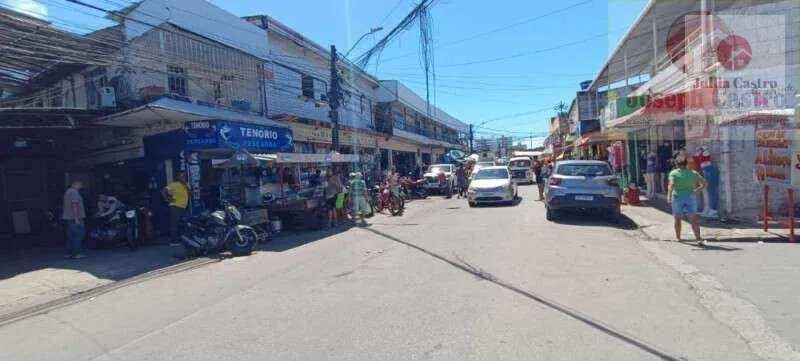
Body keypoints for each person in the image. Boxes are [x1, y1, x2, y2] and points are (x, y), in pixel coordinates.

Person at [667, 157, 707, 245]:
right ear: (686, 164)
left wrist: (669, 196)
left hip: (677, 197)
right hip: (690, 197)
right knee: (693, 219)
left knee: (677, 219)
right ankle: (698, 239)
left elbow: (671, 184)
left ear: (676, 164)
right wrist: (696, 190)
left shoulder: (673, 173)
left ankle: (678, 238)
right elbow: (704, 183)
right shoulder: (693, 173)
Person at [162, 172, 189, 246]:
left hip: (183, 207)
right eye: (182, 176)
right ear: (178, 177)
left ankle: (182, 239)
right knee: (175, 224)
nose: (184, 177)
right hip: (175, 207)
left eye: (184, 176)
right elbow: (163, 191)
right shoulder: (174, 184)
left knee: (183, 223)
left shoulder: (185, 185)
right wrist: (167, 199)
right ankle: (174, 241)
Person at [62, 180, 87, 259]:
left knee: (70, 236)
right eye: (80, 184)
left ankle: (68, 253)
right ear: (75, 184)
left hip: (69, 218)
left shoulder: (68, 191)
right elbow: (74, 205)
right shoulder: (74, 192)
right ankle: (76, 253)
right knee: (78, 235)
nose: (81, 186)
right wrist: (76, 218)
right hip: (75, 218)